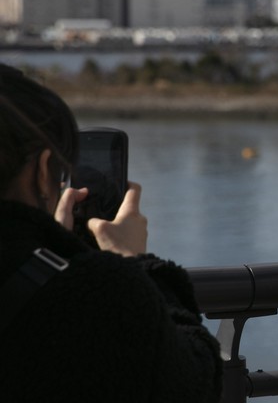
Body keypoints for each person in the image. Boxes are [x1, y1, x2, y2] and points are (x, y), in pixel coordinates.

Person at [0, 64, 222, 402]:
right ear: (43, 172)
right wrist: (135, 262)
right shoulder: (99, 291)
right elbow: (195, 382)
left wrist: (51, 250)